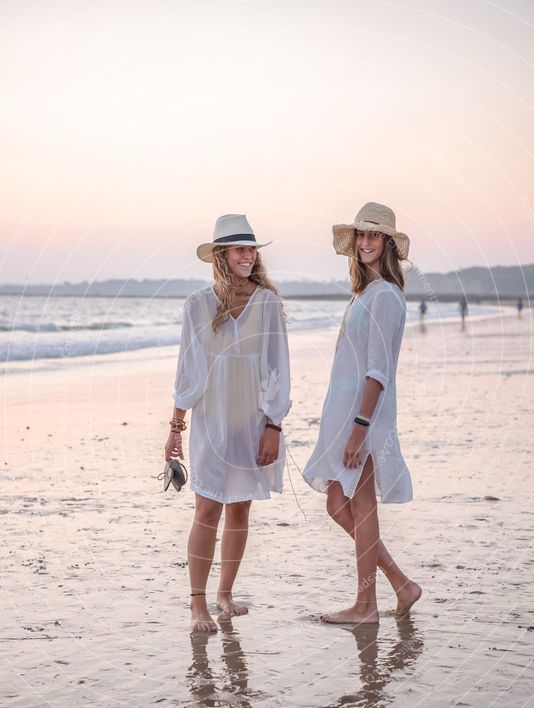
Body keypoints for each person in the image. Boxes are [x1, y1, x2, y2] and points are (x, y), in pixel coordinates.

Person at [165, 214, 291, 633]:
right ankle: (197, 602)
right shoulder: (198, 305)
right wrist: (175, 428)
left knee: (240, 509)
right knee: (207, 509)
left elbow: (278, 368)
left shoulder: (268, 303)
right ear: (221, 256)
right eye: (240, 249)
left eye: (252, 249)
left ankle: (225, 594)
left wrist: (273, 425)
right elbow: (189, 371)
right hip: (211, 425)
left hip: (252, 424)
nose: (249, 256)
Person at [303, 202, 421, 626]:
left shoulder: (386, 296)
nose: (367, 241)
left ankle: (366, 605)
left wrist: (361, 428)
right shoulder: (365, 293)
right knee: (338, 504)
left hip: (362, 416)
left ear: (387, 244)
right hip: (345, 414)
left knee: (363, 504)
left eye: (375, 235)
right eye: (362, 235)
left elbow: (378, 370)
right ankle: (401, 584)